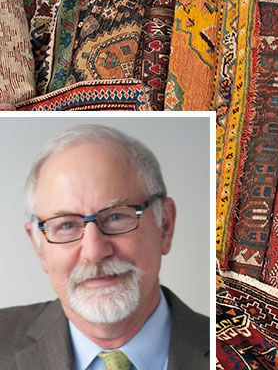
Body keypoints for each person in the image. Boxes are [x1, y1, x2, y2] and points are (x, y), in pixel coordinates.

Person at [0, 124, 210, 370]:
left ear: (165, 225)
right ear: (38, 246)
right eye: (67, 225)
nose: (94, 252)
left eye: (115, 217)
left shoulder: (238, 349)